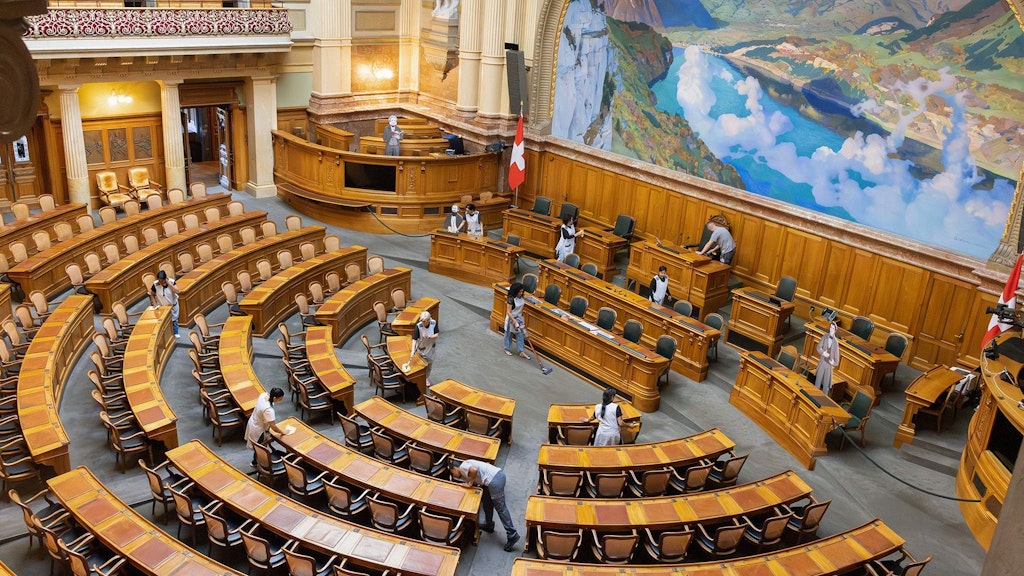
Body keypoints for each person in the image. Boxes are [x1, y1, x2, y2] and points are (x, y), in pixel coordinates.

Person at [449, 459, 520, 552]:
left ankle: (512, 534)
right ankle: (489, 524)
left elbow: (474, 470)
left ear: (455, 468)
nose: (453, 475)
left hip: (495, 480)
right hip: (492, 480)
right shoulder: (465, 467)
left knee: (501, 508)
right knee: (487, 502)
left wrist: (470, 483)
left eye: (452, 472)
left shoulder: (463, 466)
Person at [244, 387, 288, 467]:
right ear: (274, 398)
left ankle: (257, 461)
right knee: (260, 447)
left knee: (259, 446)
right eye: (280, 399)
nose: (281, 400)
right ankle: (256, 462)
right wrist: (282, 431)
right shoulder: (268, 410)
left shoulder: (263, 395)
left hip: (254, 422)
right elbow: (273, 426)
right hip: (259, 429)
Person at [410, 311, 439, 386]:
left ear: (429, 320)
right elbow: (414, 339)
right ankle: (419, 379)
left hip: (430, 348)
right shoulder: (418, 326)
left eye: (425, 322)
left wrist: (429, 337)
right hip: (421, 349)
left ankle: (426, 378)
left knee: (429, 365)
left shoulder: (434, 323)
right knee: (421, 365)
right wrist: (413, 351)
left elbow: (437, 334)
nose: (423, 323)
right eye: (422, 321)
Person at [149, 269, 181, 337]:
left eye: (162, 281)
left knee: (174, 320)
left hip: (172, 306)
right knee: (163, 322)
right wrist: (154, 303)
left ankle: (176, 332)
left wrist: (168, 283)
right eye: (159, 280)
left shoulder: (172, 282)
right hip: (162, 307)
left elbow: (177, 291)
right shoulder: (156, 284)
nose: (160, 282)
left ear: (165, 278)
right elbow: (152, 294)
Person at [503, 282, 530, 359]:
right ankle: (507, 348)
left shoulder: (521, 298)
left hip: (519, 317)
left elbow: (520, 309)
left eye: (522, 291)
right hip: (511, 318)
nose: (521, 293)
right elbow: (508, 312)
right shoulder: (511, 299)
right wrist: (514, 321)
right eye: (520, 291)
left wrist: (520, 320)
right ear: (515, 291)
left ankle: (521, 351)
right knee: (509, 334)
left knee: (520, 334)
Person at [815, 321, 840, 396]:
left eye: (833, 328)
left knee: (826, 385)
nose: (831, 329)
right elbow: (818, 347)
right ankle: (814, 395)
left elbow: (837, 358)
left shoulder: (836, 342)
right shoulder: (825, 336)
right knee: (818, 381)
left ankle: (824, 399)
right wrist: (823, 353)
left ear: (835, 330)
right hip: (822, 362)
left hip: (829, 365)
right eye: (830, 327)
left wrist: (833, 363)